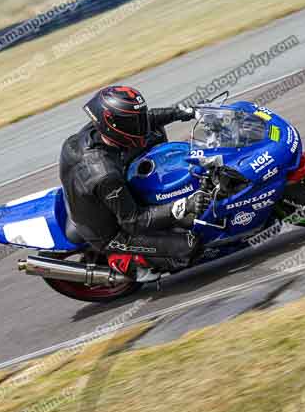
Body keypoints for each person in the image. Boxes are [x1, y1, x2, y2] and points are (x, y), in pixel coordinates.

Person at [59, 85, 210, 280]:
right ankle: (126, 262)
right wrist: (184, 205)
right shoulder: (104, 174)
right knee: (190, 245)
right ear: (111, 124)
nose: (140, 125)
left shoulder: (99, 130)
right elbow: (133, 221)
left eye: (138, 118)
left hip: (97, 193)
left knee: (153, 134)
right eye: (133, 122)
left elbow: (147, 120)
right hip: (114, 232)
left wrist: (185, 112)